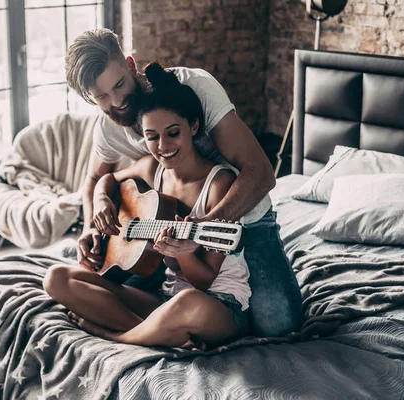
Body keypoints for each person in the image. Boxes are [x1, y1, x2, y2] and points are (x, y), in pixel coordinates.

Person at [65, 28, 303, 337]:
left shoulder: (193, 88)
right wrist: (91, 227)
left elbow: (261, 172)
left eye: (119, 84)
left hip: (240, 220)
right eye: (101, 97)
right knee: (80, 279)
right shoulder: (109, 130)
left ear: (129, 64)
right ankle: (162, 329)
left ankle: (153, 329)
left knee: (278, 326)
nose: (117, 101)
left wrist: (198, 231)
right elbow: (97, 178)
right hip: (164, 235)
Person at [44, 63, 250, 349]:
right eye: (152, 137)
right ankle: (159, 332)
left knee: (189, 302)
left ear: (193, 126)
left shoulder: (220, 183)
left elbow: (204, 282)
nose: (163, 145)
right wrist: (102, 199)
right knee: (56, 278)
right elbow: (107, 179)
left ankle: (115, 335)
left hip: (216, 306)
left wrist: (184, 253)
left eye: (173, 133)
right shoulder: (153, 168)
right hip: (167, 300)